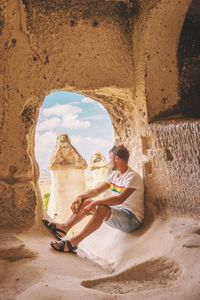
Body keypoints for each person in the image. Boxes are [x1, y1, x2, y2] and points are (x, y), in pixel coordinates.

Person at [43, 144, 144, 254]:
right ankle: (63, 228)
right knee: (86, 202)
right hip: (119, 214)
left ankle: (73, 243)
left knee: (101, 208)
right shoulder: (114, 175)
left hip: (132, 219)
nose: (109, 162)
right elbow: (96, 191)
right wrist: (81, 197)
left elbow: (120, 199)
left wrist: (95, 203)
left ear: (116, 158)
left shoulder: (132, 177)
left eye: (110, 158)